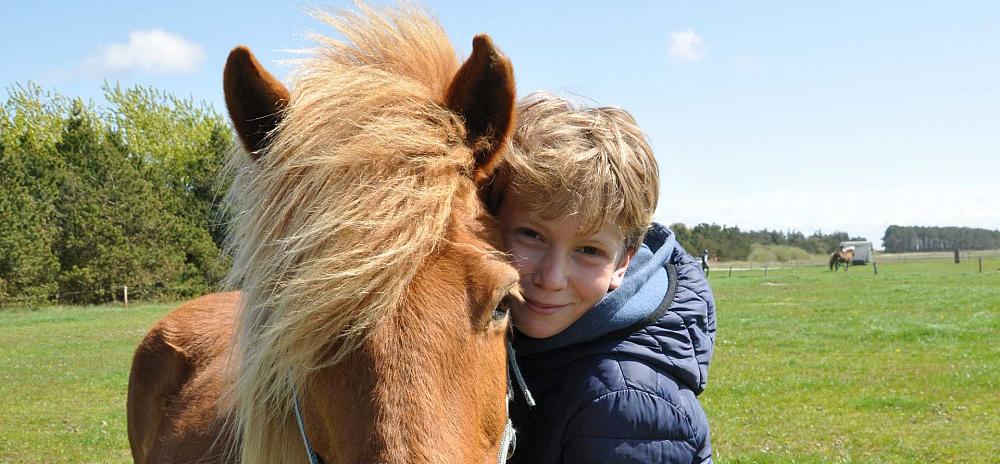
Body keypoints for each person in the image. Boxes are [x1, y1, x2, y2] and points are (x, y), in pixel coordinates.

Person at [485, 93, 717, 463]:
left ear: (623, 263)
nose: (552, 278)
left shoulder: (625, 405)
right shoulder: (537, 342)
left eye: (589, 251)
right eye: (531, 235)